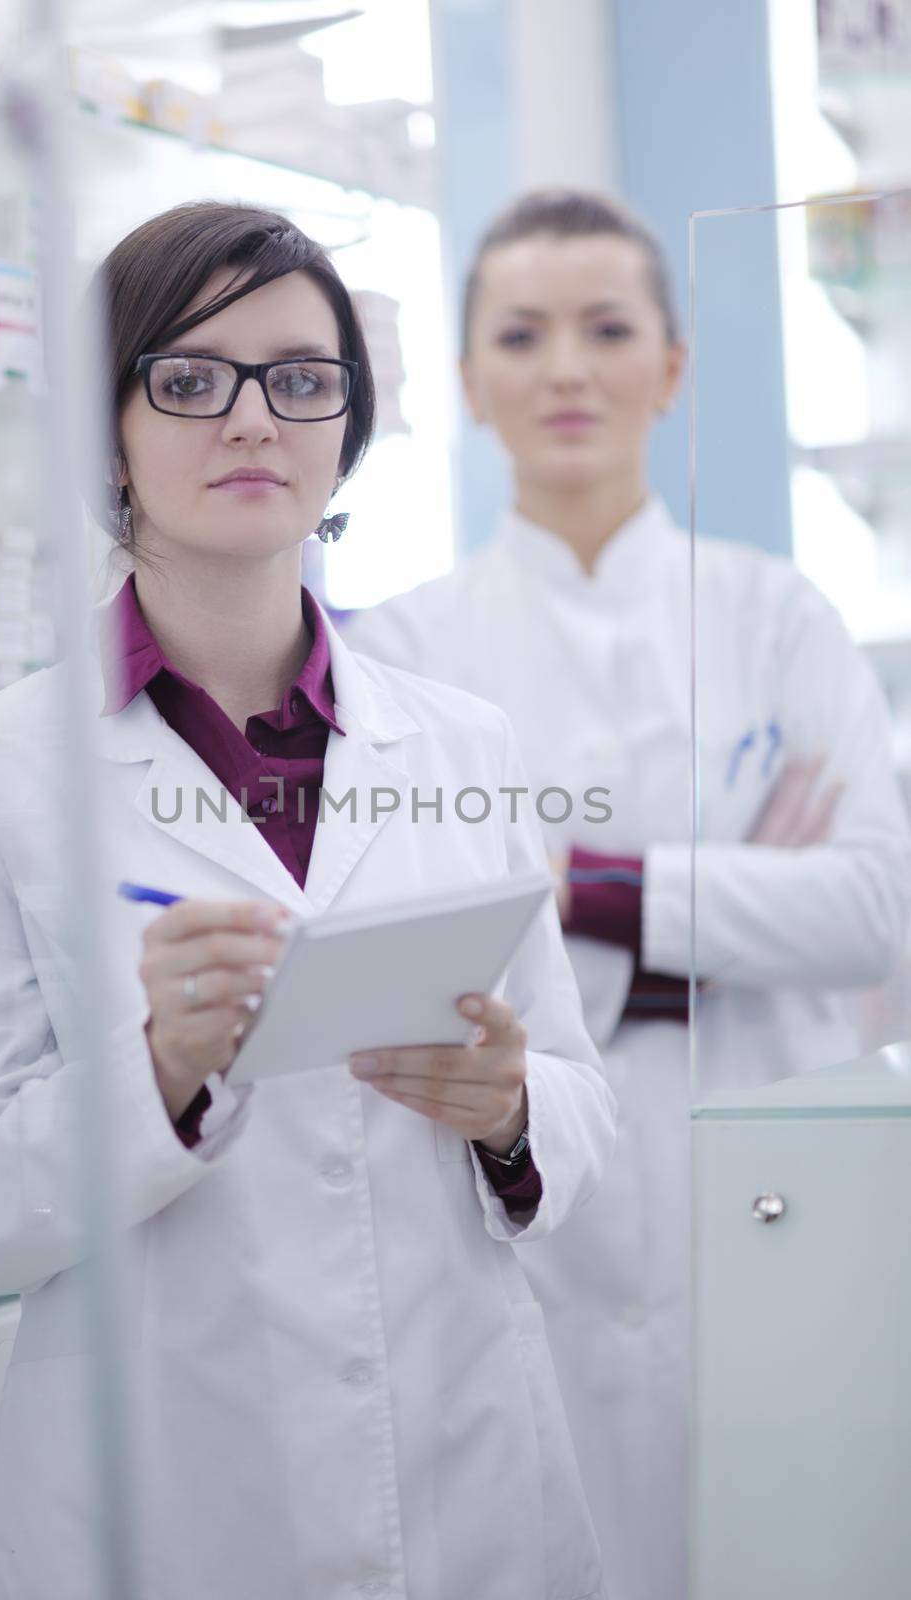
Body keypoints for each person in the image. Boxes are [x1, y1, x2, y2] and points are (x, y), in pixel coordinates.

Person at [0, 200, 617, 1600]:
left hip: (469, 1479)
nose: (250, 419)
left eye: (300, 378)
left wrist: (513, 1112)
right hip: (168, 1500)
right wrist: (156, 1073)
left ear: (346, 423)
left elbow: (579, 1098)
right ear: (106, 430)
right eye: (188, 378)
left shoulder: (460, 743)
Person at [343, 189, 911, 1600]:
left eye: (607, 329)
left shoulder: (777, 614)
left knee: (809, 1545)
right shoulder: (404, 651)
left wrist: (576, 888)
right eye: (522, 335)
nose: (567, 368)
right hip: (539, 1220)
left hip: (792, 1181)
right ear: (471, 383)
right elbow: (417, 975)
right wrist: (728, 915)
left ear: (671, 364)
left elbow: (875, 907)